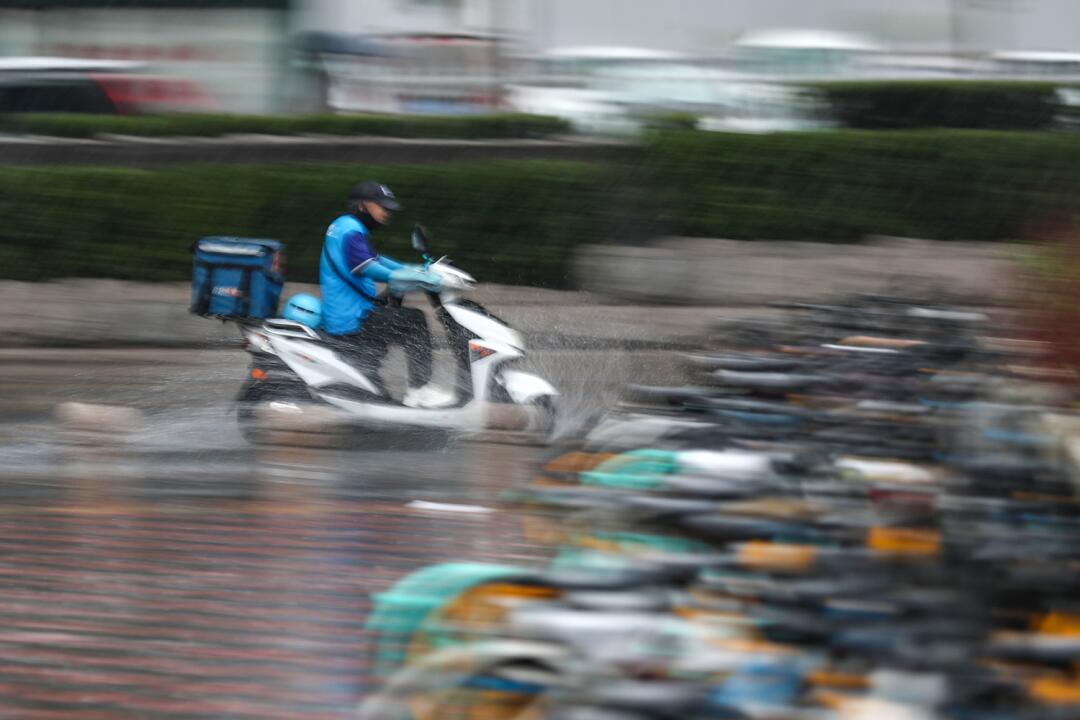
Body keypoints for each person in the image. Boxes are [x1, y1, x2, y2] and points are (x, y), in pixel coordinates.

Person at [320, 180, 455, 409]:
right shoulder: (350, 230)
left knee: (397, 298)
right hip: (353, 319)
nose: (387, 212)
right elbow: (367, 267)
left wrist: (413, 270)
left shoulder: (347, 227)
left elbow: (377, 260)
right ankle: (419, 390)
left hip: (352, 311)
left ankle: (371, 375)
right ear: (363, 205)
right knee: (414, 321)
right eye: (382, 206)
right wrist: (407, 276)